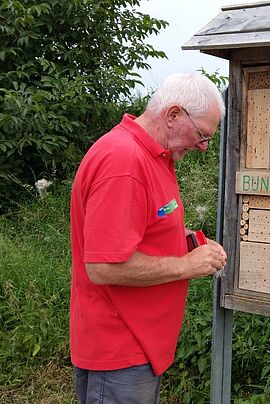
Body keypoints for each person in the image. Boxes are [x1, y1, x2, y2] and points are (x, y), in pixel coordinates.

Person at [69, 73, 228, 403]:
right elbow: (103, 266)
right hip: (119, 351)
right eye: (201, 135)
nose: (203, 147)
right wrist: (186, 265)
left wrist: (187, 241)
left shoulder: (154, 156)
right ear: (173, 115)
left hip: (139, 347)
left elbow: (140, 228)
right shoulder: (124, 162)